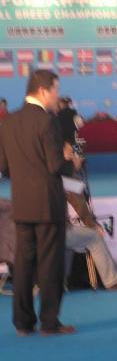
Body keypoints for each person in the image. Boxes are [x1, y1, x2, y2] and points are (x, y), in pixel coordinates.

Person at [0, 69, 76, 337]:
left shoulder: (8, 122)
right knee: (50, 264)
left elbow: (4, 167)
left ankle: (22, 322)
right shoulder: (47, 121)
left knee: (23, 263)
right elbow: (55, 165)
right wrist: (70, 159)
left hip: (21, 202)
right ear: (43, 91)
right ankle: (49, 321)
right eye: (55, 90)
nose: (57, 96)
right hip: (47, 203)